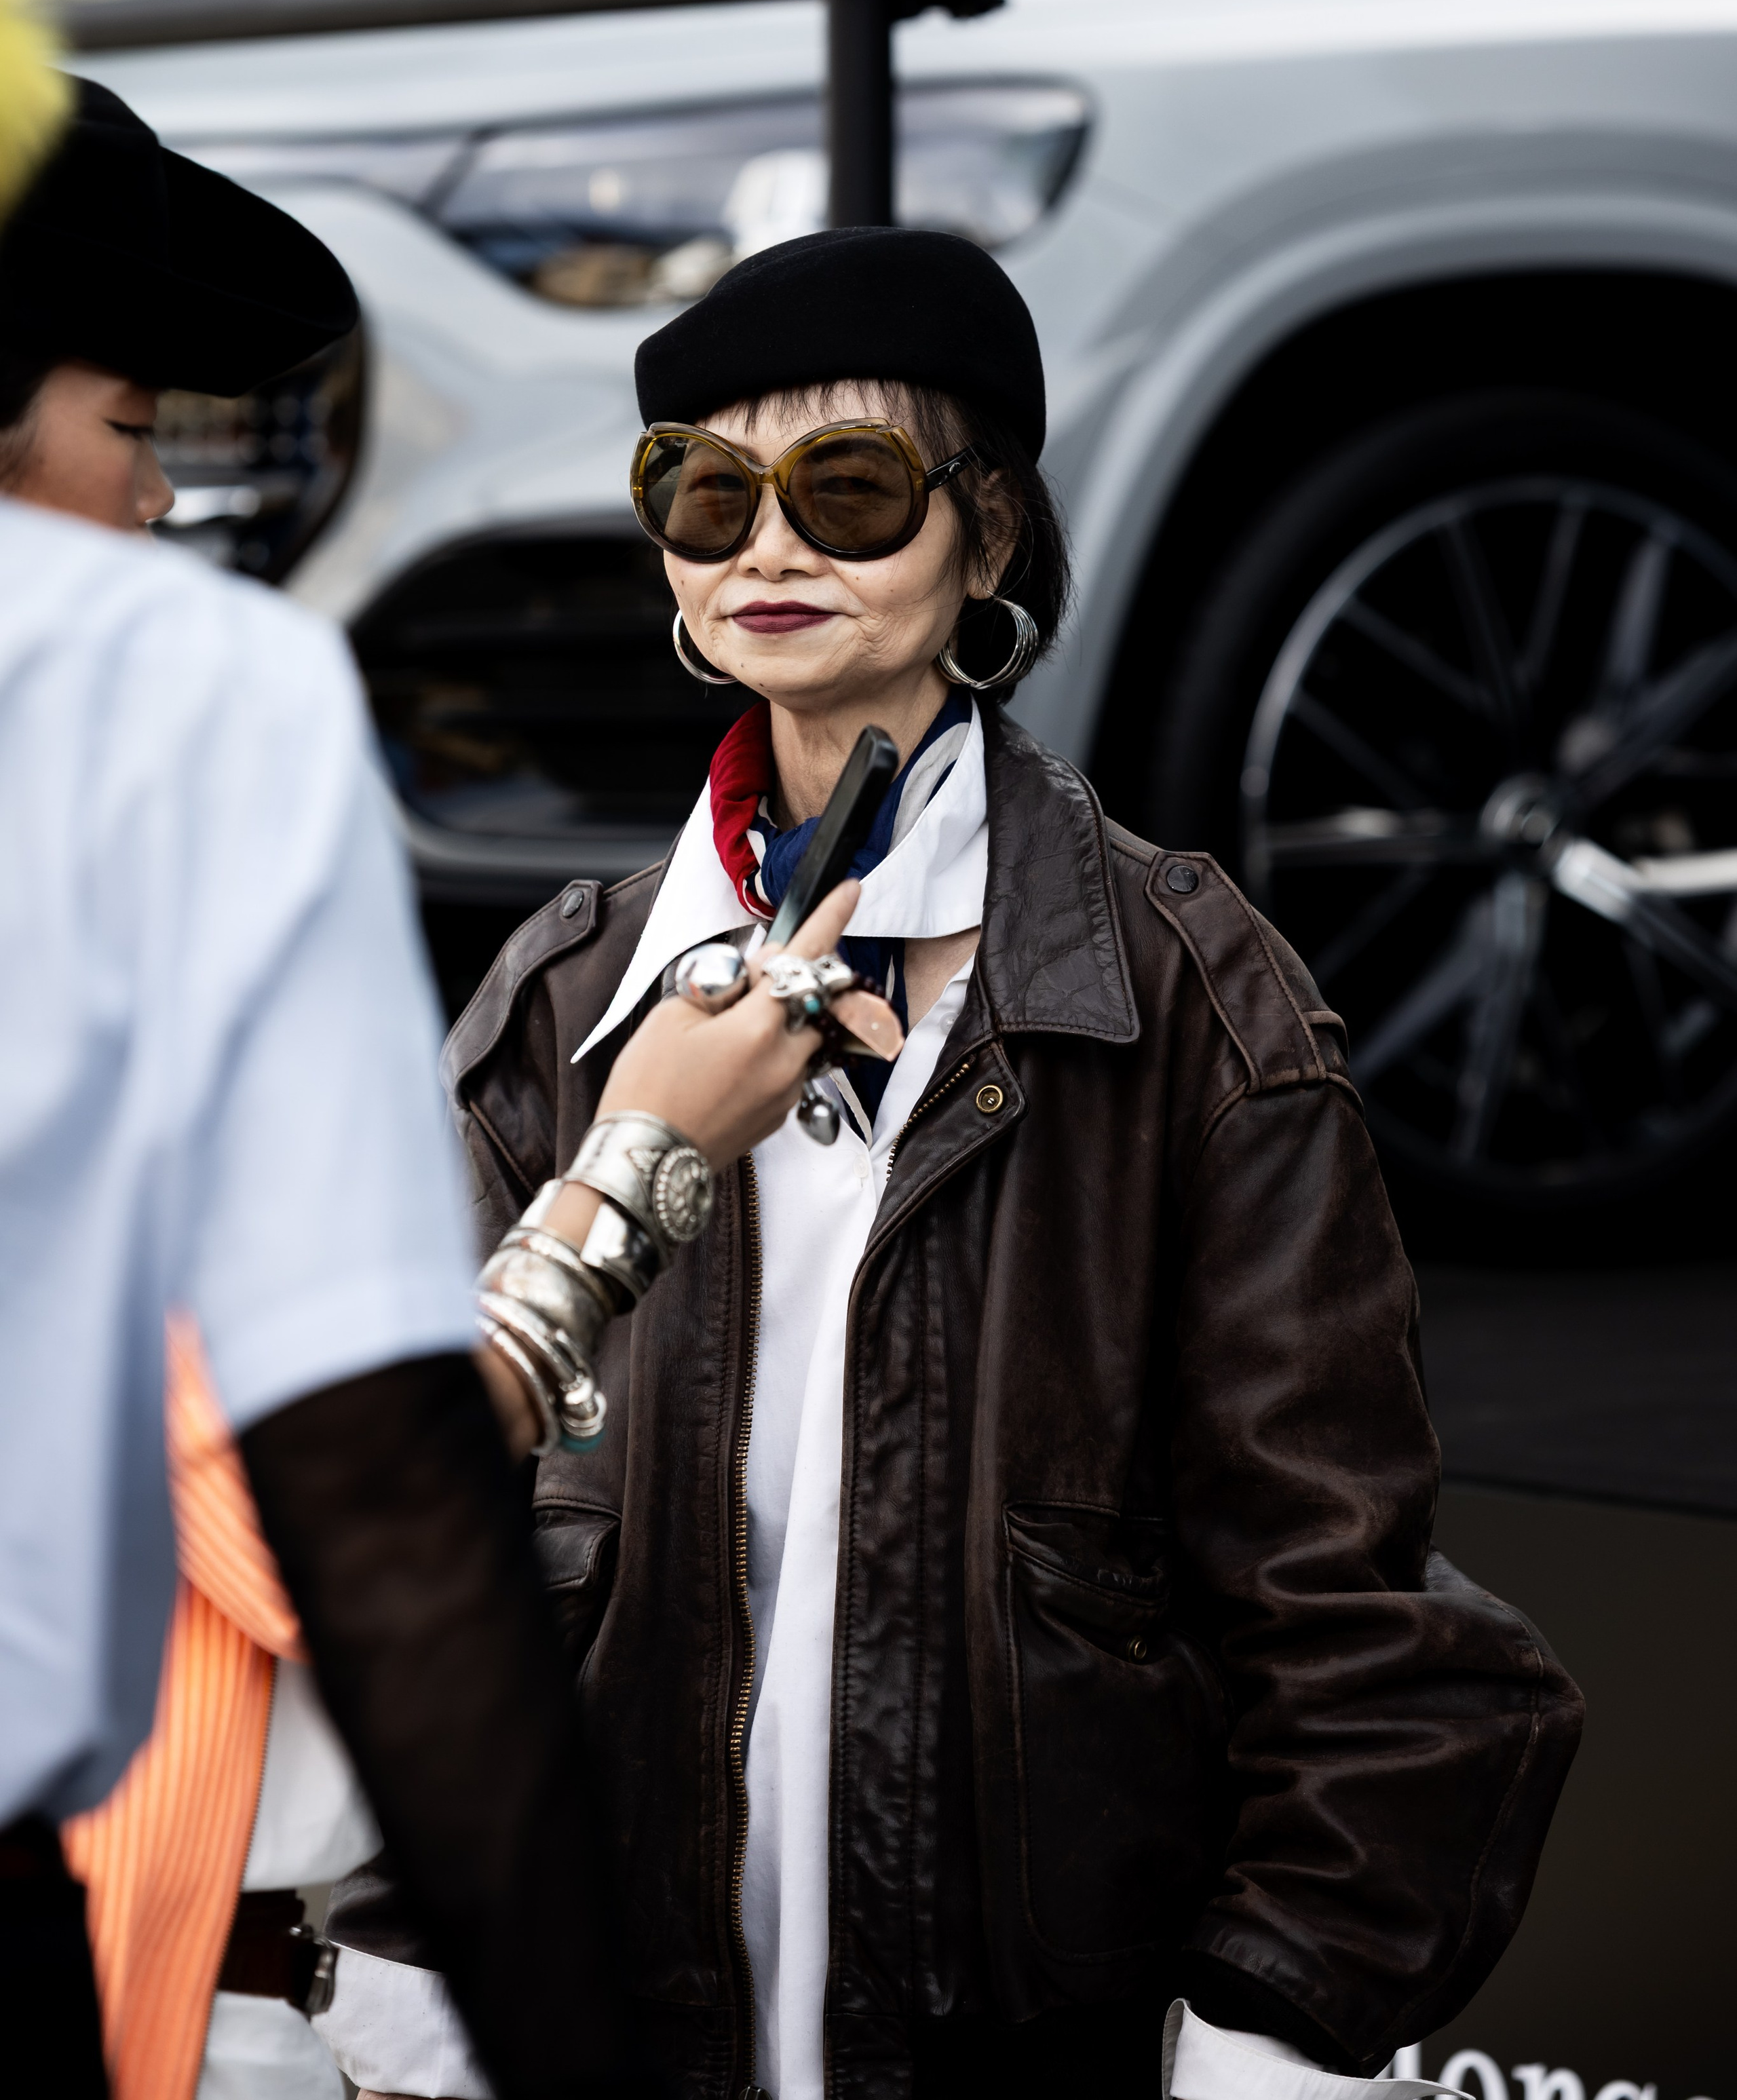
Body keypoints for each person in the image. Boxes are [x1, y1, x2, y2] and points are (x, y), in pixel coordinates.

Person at [328, 226, 1584, 2100]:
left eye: (846, 489)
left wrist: (1262, 2033)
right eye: (704, 492)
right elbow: (420, 1568)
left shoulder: (1189, 994)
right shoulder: (563, 998)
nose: (766, 548)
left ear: (988, 536)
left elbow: (1347, 1618)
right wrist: (414, 1998)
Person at [0, 77, 879, 2100]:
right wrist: (633, 1178)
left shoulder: (1176, 970)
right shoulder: (186, 760)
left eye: (853, 489)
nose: (160, 502)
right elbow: (320, 1507)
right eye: (133, 426)